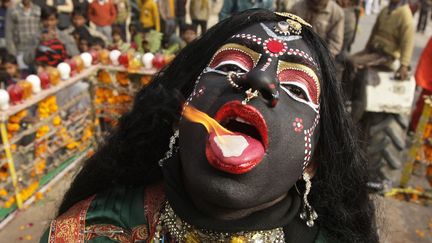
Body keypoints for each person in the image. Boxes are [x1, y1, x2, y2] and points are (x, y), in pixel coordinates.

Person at [40, 10, 378, 243]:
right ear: (179, 110)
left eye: (296, 88)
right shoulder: (93, 230)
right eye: (232, 63)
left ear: (314, 158)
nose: (258, 79)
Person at [350, 0, 414, 81]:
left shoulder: (405, 15)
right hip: (374, 51)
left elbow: (407, 42)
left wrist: (404, 65)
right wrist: (367, 48)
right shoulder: (385, 10)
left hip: (387, 56)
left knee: (353, 62)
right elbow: (374, 31)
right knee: (348, 60)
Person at [5, 0, 41, 70]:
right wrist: (12, 52)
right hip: (20, 50)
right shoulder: (12, 10)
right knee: (24, 76)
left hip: (35, 50)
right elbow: (8, 32)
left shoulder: (38, 9)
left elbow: (40, 28)